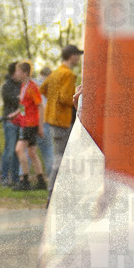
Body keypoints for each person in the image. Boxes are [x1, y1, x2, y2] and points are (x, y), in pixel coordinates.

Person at [40, 44, 83, 194]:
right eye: (77, 55)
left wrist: (52, 101)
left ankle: (55, 191)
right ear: (72, 56)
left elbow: (43, 89)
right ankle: (52, 193)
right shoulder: (69, 75)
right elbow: (66, 98)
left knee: (60, 155)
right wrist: (78, 97)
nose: (78, 58)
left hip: (51, 119)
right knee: (61, 157)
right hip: (62, 121)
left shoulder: (55, 73)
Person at [8, 61, 47, 190]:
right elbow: (24, 105)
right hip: (26, 122)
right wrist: (16, 113)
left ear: (24, 73)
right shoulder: (23, 86)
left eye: (18, 71)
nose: (16, 73)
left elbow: (40, 106)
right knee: (31, 152)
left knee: (19, 150)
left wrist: (40, 127)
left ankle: (25, 180)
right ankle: (41, 180)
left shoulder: (32, 87)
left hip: (30, 124)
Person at [0, 61, 21, 186]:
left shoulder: (21, 85)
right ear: (12, 73)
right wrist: (22, 98)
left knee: (17, 151)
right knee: (9, 150)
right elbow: (13, 100)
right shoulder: (7, 85)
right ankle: (4, 177)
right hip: (10, 121)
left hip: (20, 121)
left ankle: (15, 178)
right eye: (18, 70)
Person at [34, 66, 55, 179]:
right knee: (48, 151)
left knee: (29, 151)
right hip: (47, 121)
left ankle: (23, 177)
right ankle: (52, 177)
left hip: (36, 121)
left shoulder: (36, 86)